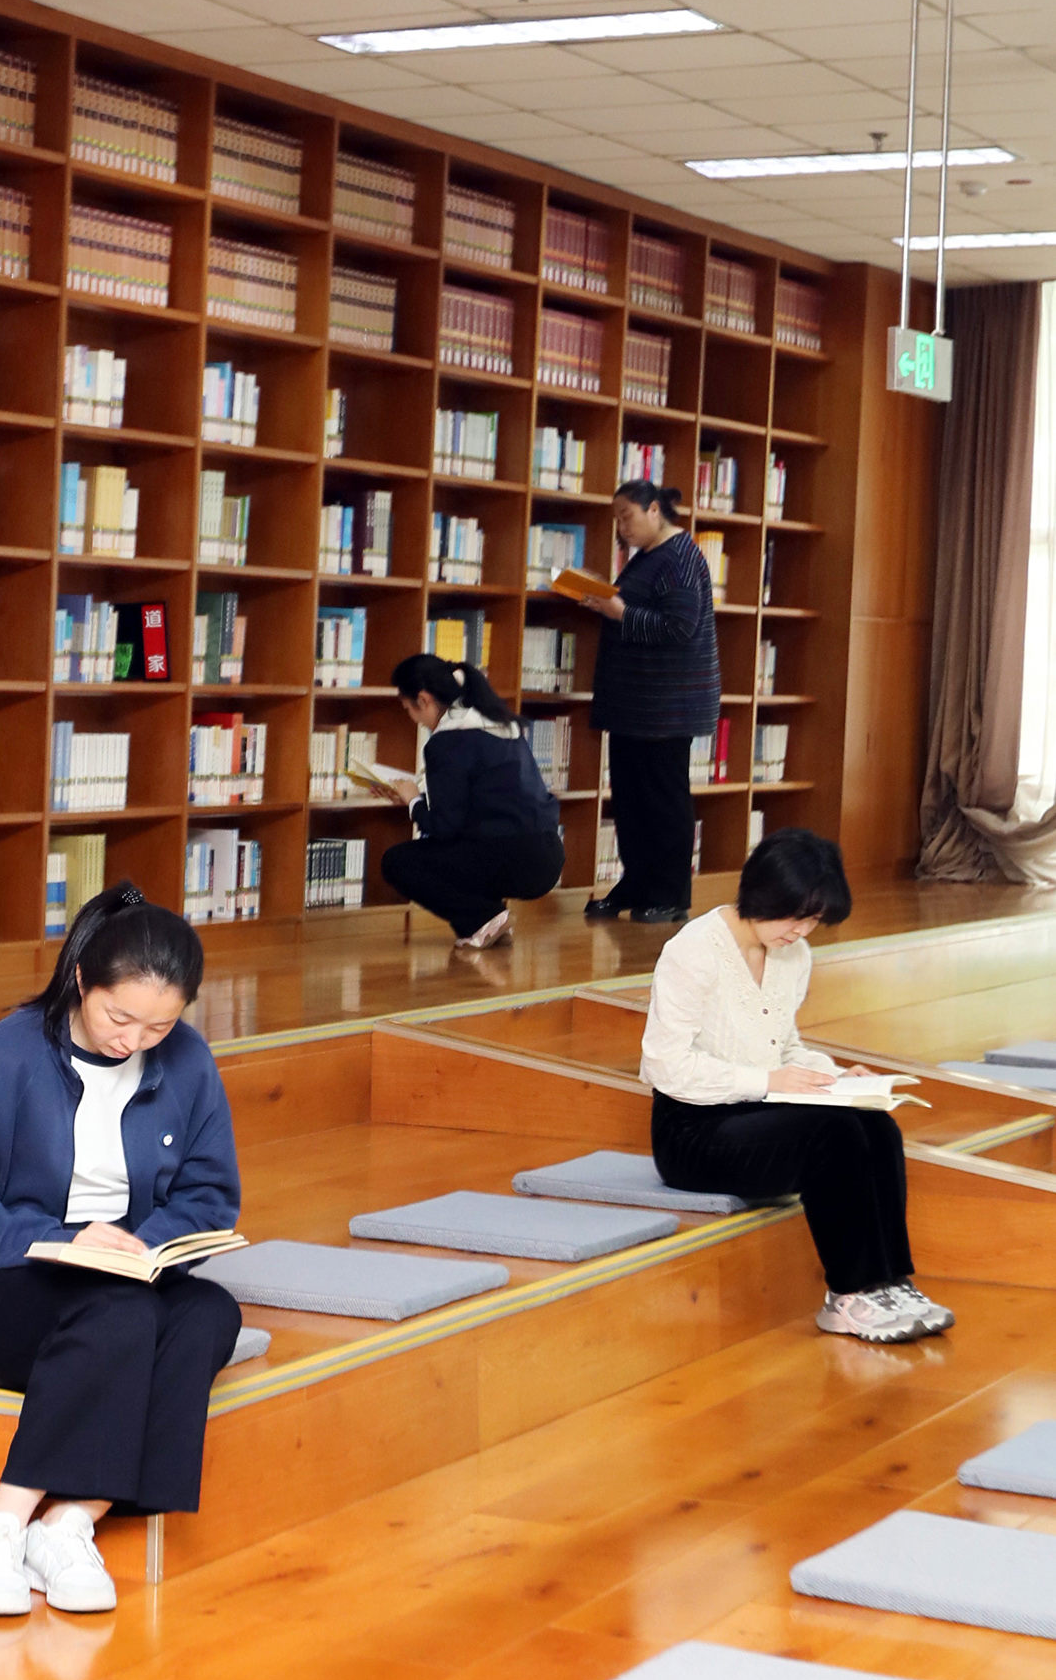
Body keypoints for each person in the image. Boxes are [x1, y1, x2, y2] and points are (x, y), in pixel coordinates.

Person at [0, 882, 243, 1615]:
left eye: (159, 1026)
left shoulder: (188, 1060)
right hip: (9, 1280)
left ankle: (69, 1522)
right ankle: (0, 1524)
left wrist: (139, 1247)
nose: (134, 1041)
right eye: (119, 1018)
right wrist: (61, 1241)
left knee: (210, 1315)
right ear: (82, 979)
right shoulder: (7, 1054)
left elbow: (209, 1196)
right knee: (122, 1315)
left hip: (127, 1274)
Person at [642, 828, 952, 1345]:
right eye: (797, 917)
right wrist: (764, 1082)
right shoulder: (692, 952)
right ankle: (848, 1295)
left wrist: (832, 1075)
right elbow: (664, 1065)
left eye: (813, 921)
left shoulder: (793, 954)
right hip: (691, 1133)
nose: (803, 931)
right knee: (832, 1137)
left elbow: (783, 1046)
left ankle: (890, 1283)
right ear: (763, 896)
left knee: (877, 1126)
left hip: (760, 1113)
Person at [575, 476, 720, 925]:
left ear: (654, 510)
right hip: (634, 704)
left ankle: (671, 895)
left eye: (627, 517)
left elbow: (679, 627)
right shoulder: (648, 556)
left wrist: (620, 612)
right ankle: (636, 884)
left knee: (663, 800)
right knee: (630, 801)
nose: (622, 528)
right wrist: (606, 597)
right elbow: (640, 609)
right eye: (617, 520)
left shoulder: (680, 556)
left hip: (667, 706)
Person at [378, 654, 564, 951]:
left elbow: (444, 827)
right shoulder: (499, 723)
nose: (413, 719)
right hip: (548, 856)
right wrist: (416, 798)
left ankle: (483, 920)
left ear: (423, 700)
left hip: (510, 857)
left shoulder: (446, 742)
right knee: (472, 847)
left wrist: (413, 802)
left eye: (408, 709)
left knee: (398, 862)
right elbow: (480, 800)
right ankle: (490, 923)